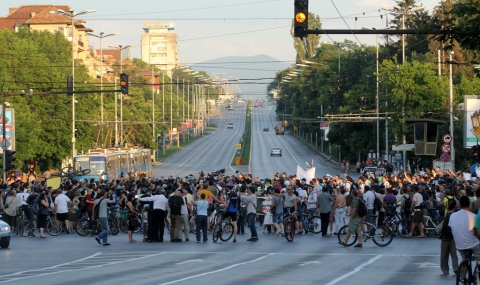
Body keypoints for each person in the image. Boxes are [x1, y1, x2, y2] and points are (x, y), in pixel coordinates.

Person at [451, 196, 480, 268]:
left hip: (459, 245)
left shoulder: (452, 216)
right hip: (473, 244)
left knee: (465, 259)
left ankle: (462, 277)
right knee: (479, 258)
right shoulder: (474, 216)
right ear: (469, 204)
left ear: (459, 204)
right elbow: (477, 231)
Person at [440, 200, 458, 275]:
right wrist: (454, 231)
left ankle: (445, 269)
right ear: (454, 207)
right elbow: (446, 226)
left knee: (445, 254)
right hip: (450, 236)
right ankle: (455, 268)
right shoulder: (450, 215)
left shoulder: (448, 215)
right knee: (453, 254)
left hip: (447, 237)